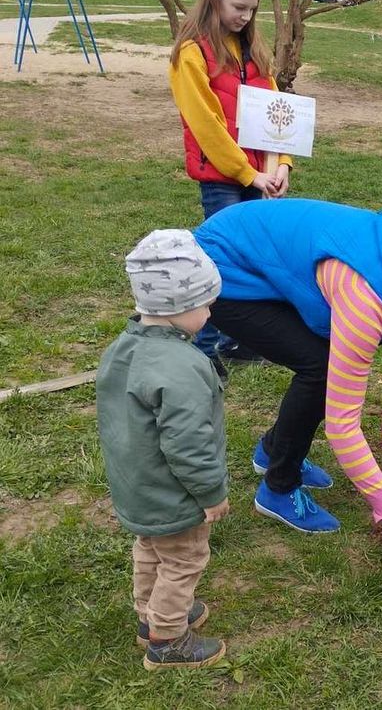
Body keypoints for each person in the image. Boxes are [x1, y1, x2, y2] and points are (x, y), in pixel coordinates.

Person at [194, 198, 382, 584]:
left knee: (322, 363)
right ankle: (278, 487)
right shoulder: (366, 297)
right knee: (321, 367)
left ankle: (274, 450)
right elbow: (342, 426)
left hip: (271, 263)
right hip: (226, 266)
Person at [96, 230, 230, 670]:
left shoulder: (122, 349)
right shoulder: (184, 367)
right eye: (207, 304)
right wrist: (211, 494)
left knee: (151, 549)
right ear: (180, 307)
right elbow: (188, 444)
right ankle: (168, 639)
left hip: (136, 485)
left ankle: (148, 617)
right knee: (184, 560)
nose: (210, 313)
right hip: (173, 494)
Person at [168, 0, 292, 376]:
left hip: (259, 175)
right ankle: (202, 348)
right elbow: (206, 126)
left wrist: (280, 166)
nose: (246, 16)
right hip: (224, 179)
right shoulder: (191, 54)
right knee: (222, 261)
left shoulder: (253, 51)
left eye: (252, 8)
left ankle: (238, 338)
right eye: (239, 6)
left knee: (255, 258)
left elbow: (278, 114)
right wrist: (247, 173)